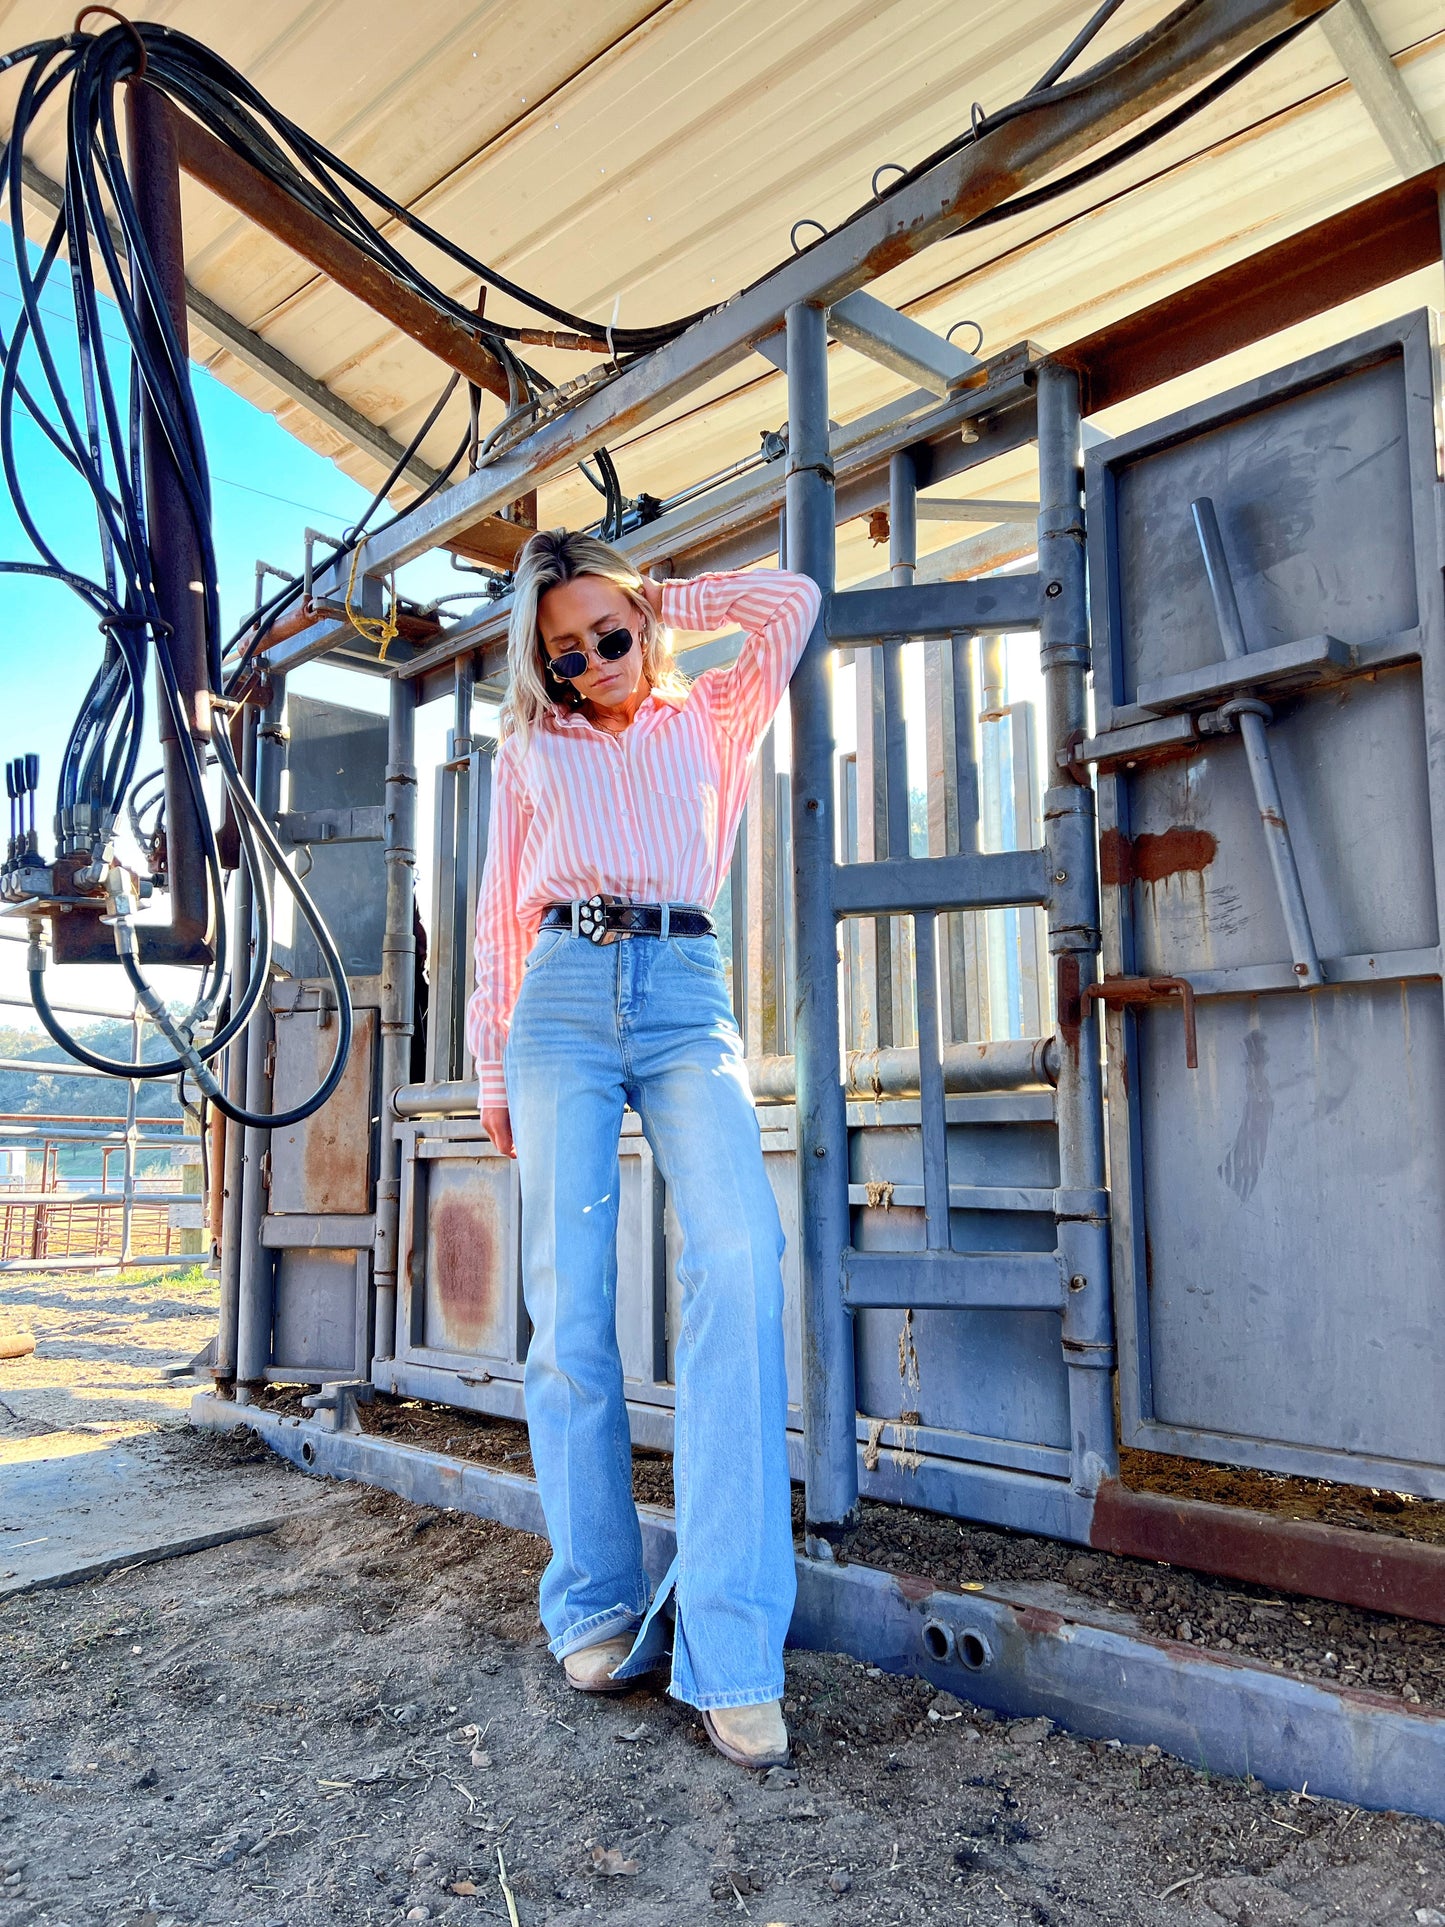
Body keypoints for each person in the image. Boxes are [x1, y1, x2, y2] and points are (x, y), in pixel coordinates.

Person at [465, 528, 820, 1769]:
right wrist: (489, 1063)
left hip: (683, 990)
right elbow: (496, 910)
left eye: (607, 634)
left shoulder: (711, 713)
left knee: (738, 1256)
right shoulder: (528, 745)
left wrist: (662, 594)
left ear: (639, 618)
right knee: (568, 1302)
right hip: (559, 994)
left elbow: (789, 601)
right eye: (563, 653)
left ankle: (731, 1645)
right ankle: (594, 1600)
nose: (592, 663)